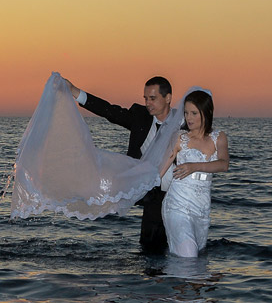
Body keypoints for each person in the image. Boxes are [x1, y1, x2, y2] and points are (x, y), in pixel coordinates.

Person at [65, 76, 174, 254]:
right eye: (145, 98)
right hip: (151, 196)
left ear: (168, 98)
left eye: (152, 98)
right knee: (150, 251)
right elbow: (109, 111)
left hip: (177, 194)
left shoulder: (183, 122)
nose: (147, 103)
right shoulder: (140, 116)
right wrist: (75, 92)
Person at [160, 90, 229, 257]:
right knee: (188, 254)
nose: (188, 118)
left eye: (194, 113)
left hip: (202, 207)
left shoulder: (218, 137)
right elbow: (160, 170)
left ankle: (171, 279)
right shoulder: (179, 137)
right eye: (186, 113)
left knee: (194, 258)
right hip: (177, 203)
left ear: (206, 113)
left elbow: (223, 164)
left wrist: (194, 166)